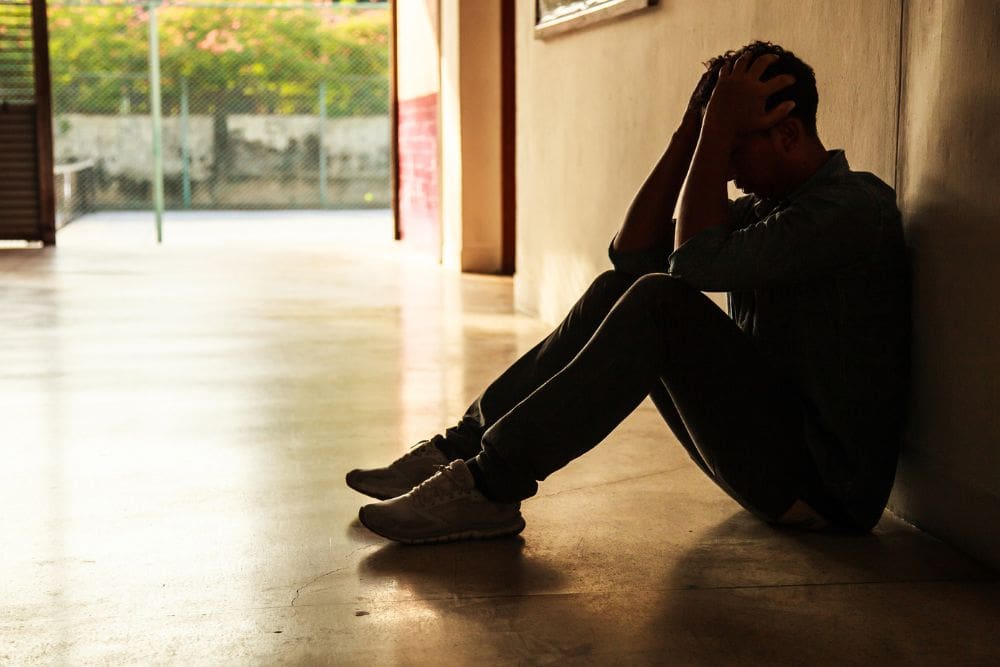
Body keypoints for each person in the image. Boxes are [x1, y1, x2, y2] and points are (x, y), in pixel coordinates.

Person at [346, 41, 910, 544]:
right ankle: (462, 449)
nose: (725, 171)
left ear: (787, 132)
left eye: (733, 149)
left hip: (827, 490)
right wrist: (691, 130)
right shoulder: (772, 210)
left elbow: (689, 265)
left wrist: (714, 132)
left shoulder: (850, 210)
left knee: (660, 301)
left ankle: (490, 486)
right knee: (623, 285)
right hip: (773, 461)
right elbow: (632, 254)